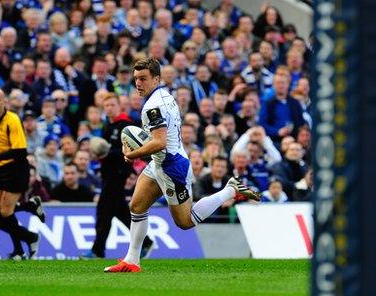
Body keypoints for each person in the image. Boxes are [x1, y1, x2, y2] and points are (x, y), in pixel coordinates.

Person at [104, 58, 259, 273]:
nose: (138, 83)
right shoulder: (163, 95)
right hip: (160, 161)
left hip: (171, 167)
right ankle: (132, 261)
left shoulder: (153, 106)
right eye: (136, 78)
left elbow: (159, 142)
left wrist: (133, 154)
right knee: (137, 206)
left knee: (185, 222)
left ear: (156, 78)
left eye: (143, 79)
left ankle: (230, 190)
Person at [82, 93, 154, 259]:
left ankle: (97, 250)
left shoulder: (125, 125)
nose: (109, 108)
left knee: (104, 211)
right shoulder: (109, 125)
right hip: (108, 173)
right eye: (106, 106)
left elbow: (131, 148)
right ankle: (146, 241)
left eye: (112, 105)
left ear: (119, 106)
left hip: (118, 173)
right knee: (120, 212)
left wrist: (106, 151)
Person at [0, 88, 40, 260]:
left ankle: (18, 250)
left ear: (4, 102)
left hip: (16, 169)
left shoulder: (12, 120)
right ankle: (29, 230)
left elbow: (20, 151)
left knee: (5, 212)